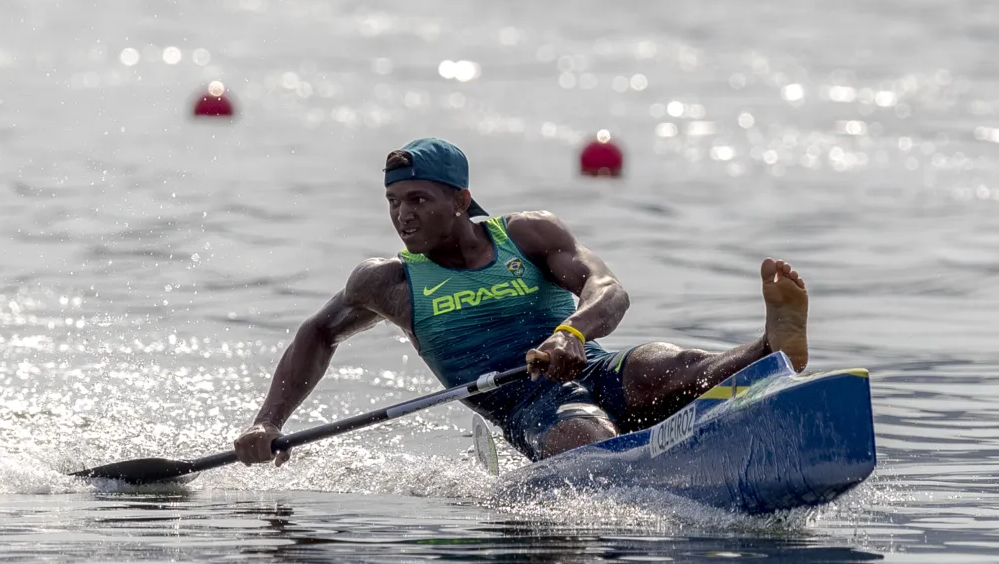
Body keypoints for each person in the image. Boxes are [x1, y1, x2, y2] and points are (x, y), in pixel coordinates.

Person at [234, 137, 809, 466]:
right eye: (392, 201)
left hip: (595, 367)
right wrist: (266, 424)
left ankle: (768, 347)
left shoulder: (528, 235)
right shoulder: (387, 281)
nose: (401, 215)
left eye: (417, 198)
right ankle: (633, 455)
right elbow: (318, 334)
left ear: (460, 199)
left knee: (667, 363)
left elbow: (608, 291)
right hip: (524, 407)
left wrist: (571, 335)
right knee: (583, 432)